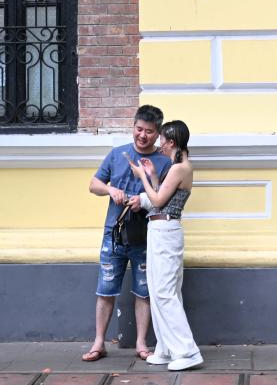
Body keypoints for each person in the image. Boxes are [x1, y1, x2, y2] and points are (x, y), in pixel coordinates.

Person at [84, 105, 172, 363]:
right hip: (113, 235)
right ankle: (99, 342)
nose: (142, 135)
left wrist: (142, 200)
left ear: (157, 134)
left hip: (146, 237)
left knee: (143, 292)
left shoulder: (164, 162)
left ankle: (141, 343)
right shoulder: (117, 154)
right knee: (105, 289)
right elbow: (93, 184)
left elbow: (165, 200)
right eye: (138, 129)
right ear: (133, 126)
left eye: (149, 131)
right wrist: (110, 190)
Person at [127, 119, 203, 371]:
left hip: (166, 230)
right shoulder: (179, 167)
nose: (159, 143)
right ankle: (167, 349)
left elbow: (158, 200)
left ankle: (188, 351)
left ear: (171, 142)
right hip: (162, 229)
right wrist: (152, 175)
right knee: (161, 290)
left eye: (161, 139)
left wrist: (142, 177)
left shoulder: (180, 168)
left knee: (164, 292)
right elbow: (164, 197)